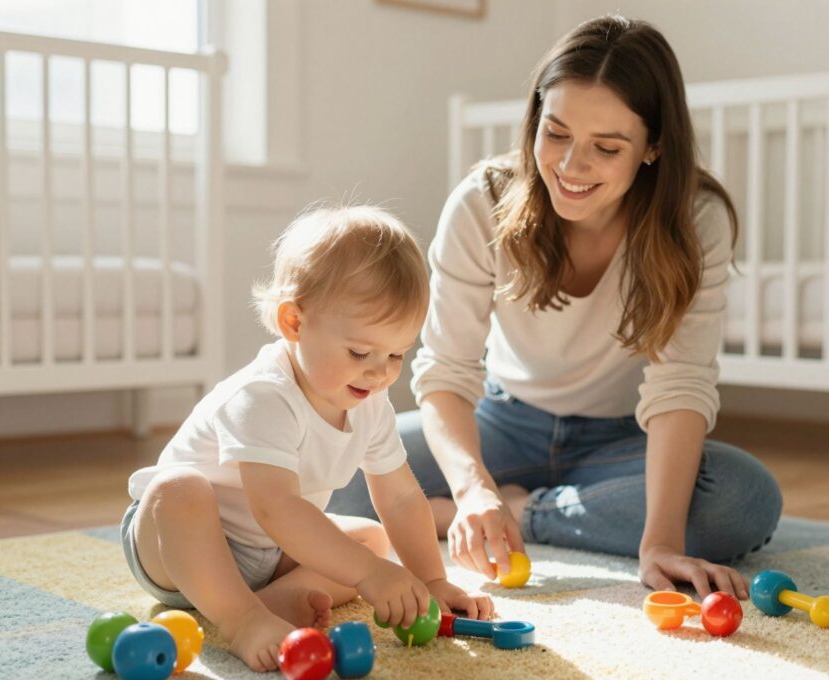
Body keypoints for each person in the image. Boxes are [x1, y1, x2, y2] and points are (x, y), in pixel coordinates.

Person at [328, 15, 783, 599]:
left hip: (622, 442)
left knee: (744, 498)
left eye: (607, 147)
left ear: (654, 146)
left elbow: (681, 388)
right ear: (535, 118)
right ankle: (494, 509)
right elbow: (446, 372)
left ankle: (528, 512)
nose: (570, 166)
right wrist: (472, 489)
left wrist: (661, 543)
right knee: (337, 478)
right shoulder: (481, 203)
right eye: (557, 133)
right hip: (501, 421)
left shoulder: (696, 219)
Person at [122, 204, 493, 673]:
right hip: (176, 548)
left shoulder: (369, 402)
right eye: (360, 351)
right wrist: (369, 576)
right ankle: (241, 620)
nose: (380, 373)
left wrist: (430, 578)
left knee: (371, 542)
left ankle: (272, 600)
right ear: (293, 323)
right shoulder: (262, 395)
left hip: (270, 554)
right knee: (178, 490)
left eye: (396, 353)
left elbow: (399, 497)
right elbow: (275, 507)